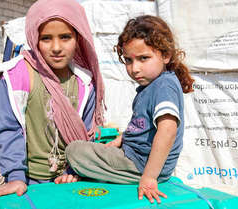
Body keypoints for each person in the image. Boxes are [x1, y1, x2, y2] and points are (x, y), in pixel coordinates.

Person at [65, 15, 194, 204]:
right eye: (128, 60)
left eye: (143, 58)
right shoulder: (151, 86)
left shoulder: (164, 86)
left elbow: (167, 131)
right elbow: (143, 128)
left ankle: (95, 172)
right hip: (135, 156)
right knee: (95, 144)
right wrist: (121, 139)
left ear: (166, 55)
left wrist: (149, 178)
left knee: (74, 150)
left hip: (141, 164)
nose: (135, 68)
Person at [0, 0, 104, 203]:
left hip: (69, 180)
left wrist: (74, 171)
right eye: (46, 38)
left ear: (78, 37)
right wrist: (15, 176)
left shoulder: (85, 83)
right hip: (27, 182)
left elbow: (85, 136)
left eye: (65, 37)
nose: (56, 47)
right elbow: (8, 130)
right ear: (34, 38)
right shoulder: (18, 76)